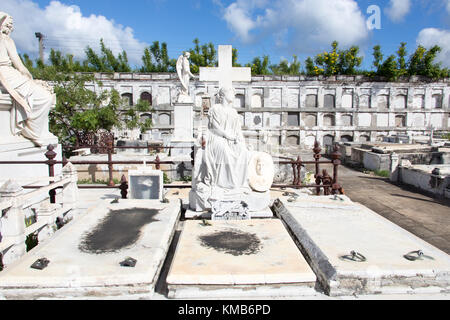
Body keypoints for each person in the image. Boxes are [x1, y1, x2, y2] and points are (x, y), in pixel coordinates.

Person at [0, 12, 55, 146]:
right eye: (9, 24)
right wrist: (31, 80)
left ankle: (32, 130)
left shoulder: (6, 40)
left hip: (9, 73)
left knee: (45, 96)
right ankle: (30, 130)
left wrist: (31, 79)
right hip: (5, 73)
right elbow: (19, 65)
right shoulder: (5, 40)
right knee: (42, 96)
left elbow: (19, 65)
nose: (11, 28)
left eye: (11, 25)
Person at [203, 86, 249, 190]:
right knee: (225, 151)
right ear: (223, 95)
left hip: (232, 139)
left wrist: (242, 142)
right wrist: (228, 136)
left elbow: (238, 130)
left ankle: (239, 183)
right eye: (231, 92)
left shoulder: (233, 112)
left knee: (243, 151)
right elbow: (215, 128)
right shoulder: (215, 109)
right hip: (217, 137)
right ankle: (226, 183)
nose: (233, 95)